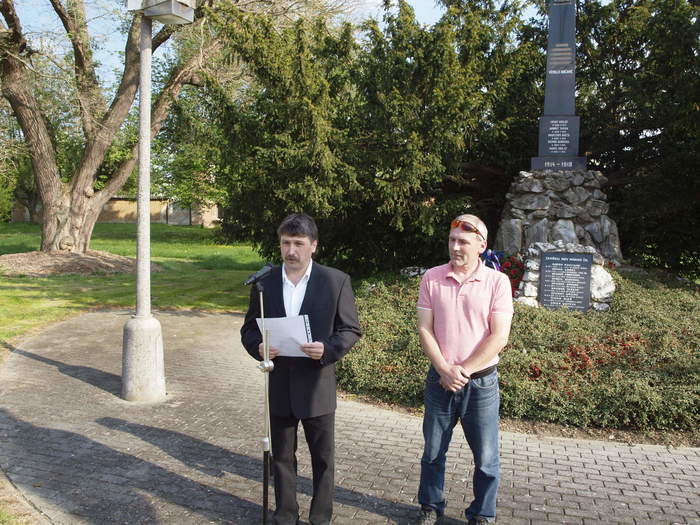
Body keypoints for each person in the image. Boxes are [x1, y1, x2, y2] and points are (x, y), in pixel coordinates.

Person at [241, 213, 362, 525]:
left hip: (317, 385)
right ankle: (285, 514)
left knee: (323, 459)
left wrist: (328, 349)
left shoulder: (335, 281)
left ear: (313, 246)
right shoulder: (265, 283)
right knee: (281, 457)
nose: (291, 250)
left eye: (298, 243)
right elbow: (249, 329)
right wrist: (258, 347)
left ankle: (320, 517)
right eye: (286, 243)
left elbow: (350, 330)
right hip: (279, 384)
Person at [414, 214, 513, 525]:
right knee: (432, 452)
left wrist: (463, 370)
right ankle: (430, 506)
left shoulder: (497, 282)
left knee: (486, 458)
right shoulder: (432, 278)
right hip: (439, 380)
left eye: (463, 242)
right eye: (452, 240)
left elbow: (499, 336)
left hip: (481, 384)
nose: (455, 247)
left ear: (481, 246)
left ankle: (482, 513)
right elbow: (424, 329)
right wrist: (444, 369)